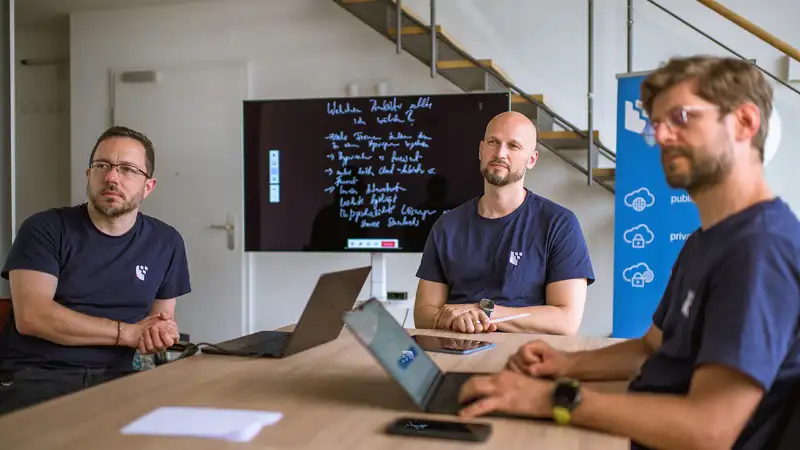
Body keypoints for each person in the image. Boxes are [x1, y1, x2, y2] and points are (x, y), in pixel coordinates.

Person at [456, 55, 800, 450]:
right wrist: (565, 365)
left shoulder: (760, 249)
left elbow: (709, 430)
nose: (663, 136)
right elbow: (651, 348)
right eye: (657, 124)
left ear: (744, 122)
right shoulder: (708, 239)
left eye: (682, 118)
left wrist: (550, 399)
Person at [0, 125, 192, 415]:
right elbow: (32, 317)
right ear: (89, 175)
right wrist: (126, 334)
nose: (112, 177)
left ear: (148, 187)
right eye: (102, 165)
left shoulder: (167, 242)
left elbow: (159, 322)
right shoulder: (45, 229)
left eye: (127, 169)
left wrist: (161, 333)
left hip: (117, 380)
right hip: (38, 376)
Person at [413, 111, 595, 336]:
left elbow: (566, 321)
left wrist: (483, 311)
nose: (500, 153)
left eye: (513, 146)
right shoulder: (447, 226)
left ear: (531, 160)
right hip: (455, 353)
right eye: (493, 142)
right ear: (481, 150)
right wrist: (452, 319)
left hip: (525, 359)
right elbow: (422, 313)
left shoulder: (559, 224)